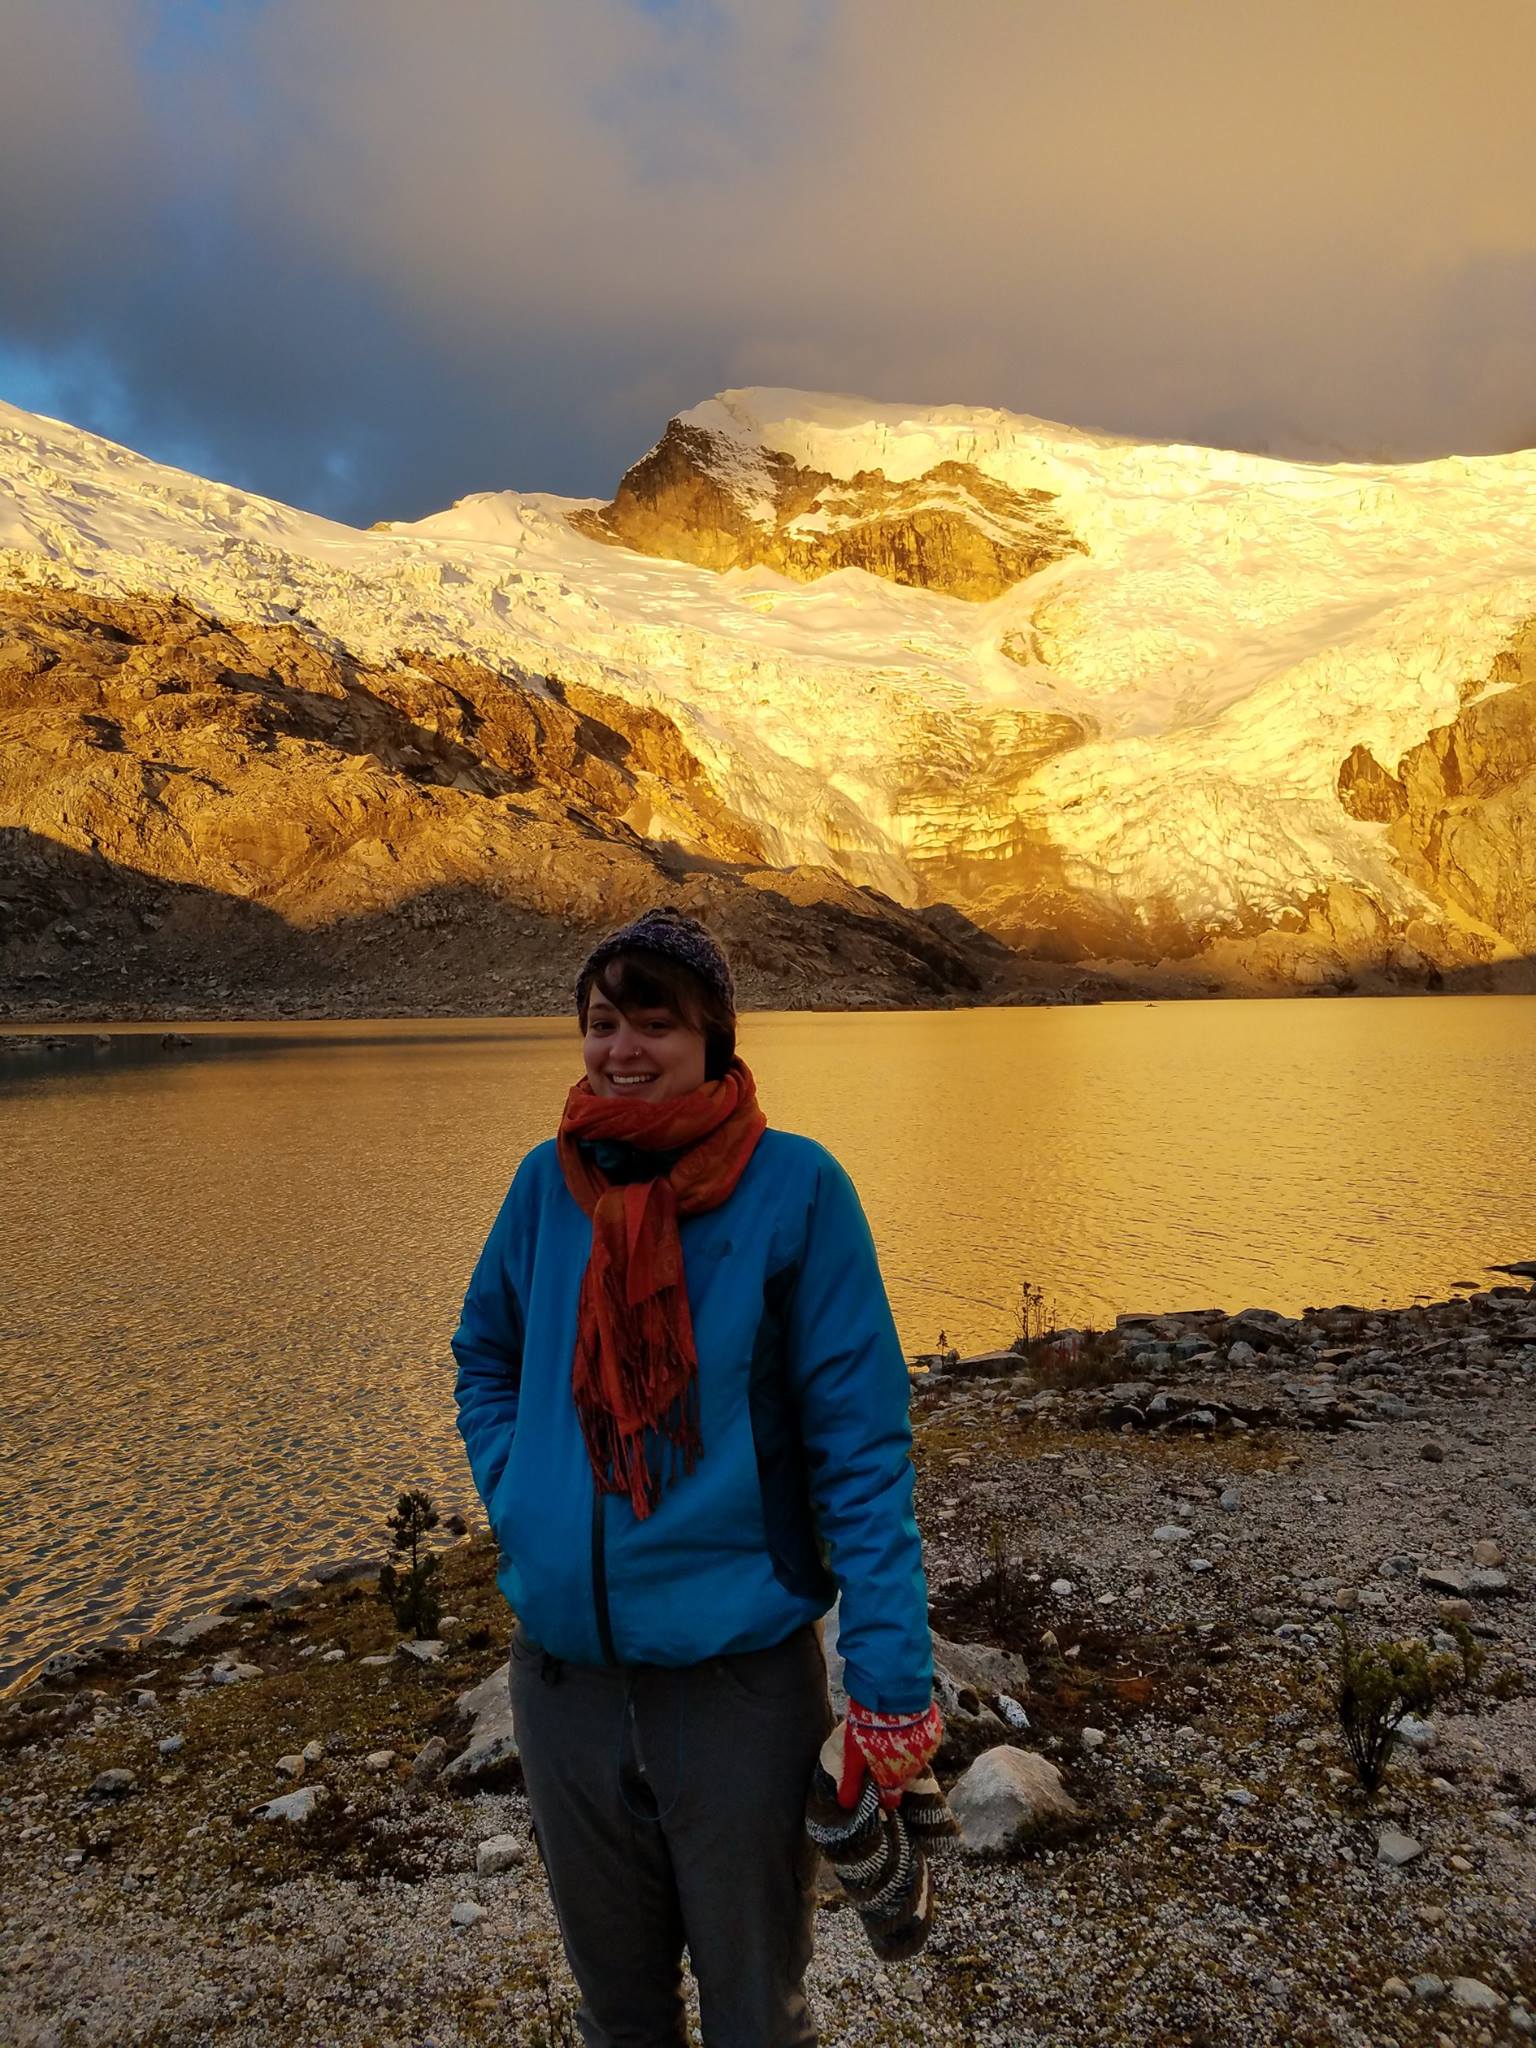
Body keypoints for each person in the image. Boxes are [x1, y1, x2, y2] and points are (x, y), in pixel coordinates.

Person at [451, 907, 939, 2047]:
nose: (621, 1048)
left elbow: (862, 1447)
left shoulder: (797, 1189)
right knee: (618, 2012)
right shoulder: (544, 1187)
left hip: (736, 1689)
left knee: (754, 2014)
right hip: (563, 1682)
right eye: (602, 1020)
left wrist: (890, 1678)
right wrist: (517, 1491)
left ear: (713, 1034)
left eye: (653, 1023)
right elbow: (485, 1351)